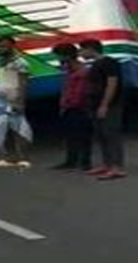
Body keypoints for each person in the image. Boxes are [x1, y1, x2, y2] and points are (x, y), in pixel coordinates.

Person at [80, 39, 126, 181]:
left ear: (91, 49)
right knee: (101, 135)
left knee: (111, 134)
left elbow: (112, 84)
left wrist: (105, 104)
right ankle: (107, 164)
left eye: (82, 50)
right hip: (94, 104)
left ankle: (117, 167)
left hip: (110, 105)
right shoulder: (94, 64)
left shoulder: (109, 63)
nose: (81, 53)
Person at [0, 35, 31, 168]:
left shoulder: (20, 63)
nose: (0, 49)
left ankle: (22, 159)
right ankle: (4, 158)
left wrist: (20, 101)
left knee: (18, 129)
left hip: (13, 98)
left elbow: (23, 83)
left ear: (12, 46)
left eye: (3, 46)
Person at [52, 43, 93, 171]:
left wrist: (71, 104)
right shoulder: (68, 70)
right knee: (70, 136)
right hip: (69, 106)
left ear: (66, 56)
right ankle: (71, 160)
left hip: (79, 107)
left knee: (82, 135)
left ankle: (85, 162)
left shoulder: (81, 70)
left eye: (59, 55)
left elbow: (81, 92)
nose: (58, 58)